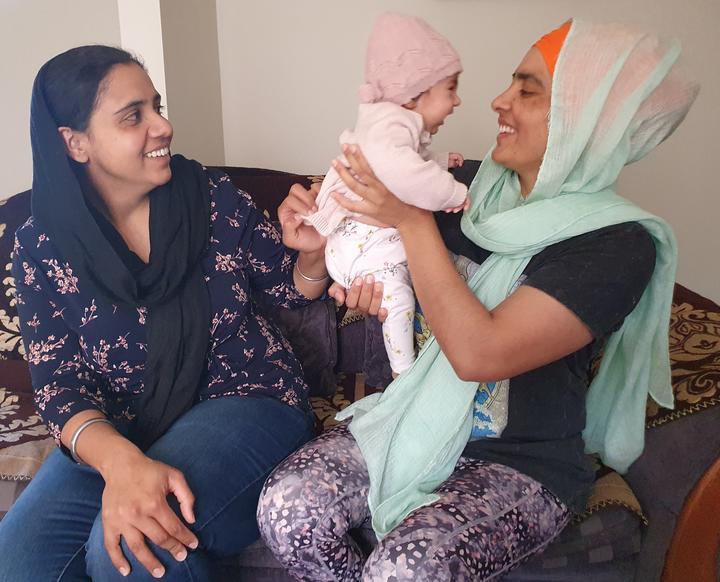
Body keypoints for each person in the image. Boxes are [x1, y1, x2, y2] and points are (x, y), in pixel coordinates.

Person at [257, 18, 699, 581]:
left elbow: (479, 354)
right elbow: (365, 289)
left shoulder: (614, 243)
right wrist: (321, 250)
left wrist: (411, 221)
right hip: (409, 420)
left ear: (589, 119)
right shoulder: (453, 183)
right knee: (288, 506)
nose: (498, 100)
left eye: (528, 89)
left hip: (519, 465)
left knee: (404, 570)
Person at [0, 44, 376, 582]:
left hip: (248, 397)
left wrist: (312, 253)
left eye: (157, 105)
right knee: (18, 561)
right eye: (134, 116)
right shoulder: (39, 245)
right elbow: (59, 384)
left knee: (130, 549)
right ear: (75, 143)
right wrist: (121, 463)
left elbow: (292, 293)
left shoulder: (210, 198)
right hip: (123, 426)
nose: (163, 126)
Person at [303, 12, 468, 376]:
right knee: (400, 298)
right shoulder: (393, 125)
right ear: (415, 95)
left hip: (354, 242)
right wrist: (453, 192)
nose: (457, 101)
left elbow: (405, 163)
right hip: (363, 242)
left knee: (413, 273)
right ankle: (403, 372)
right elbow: (404, 174)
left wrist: (440, 161)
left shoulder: (387, 125)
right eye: (450, 88)